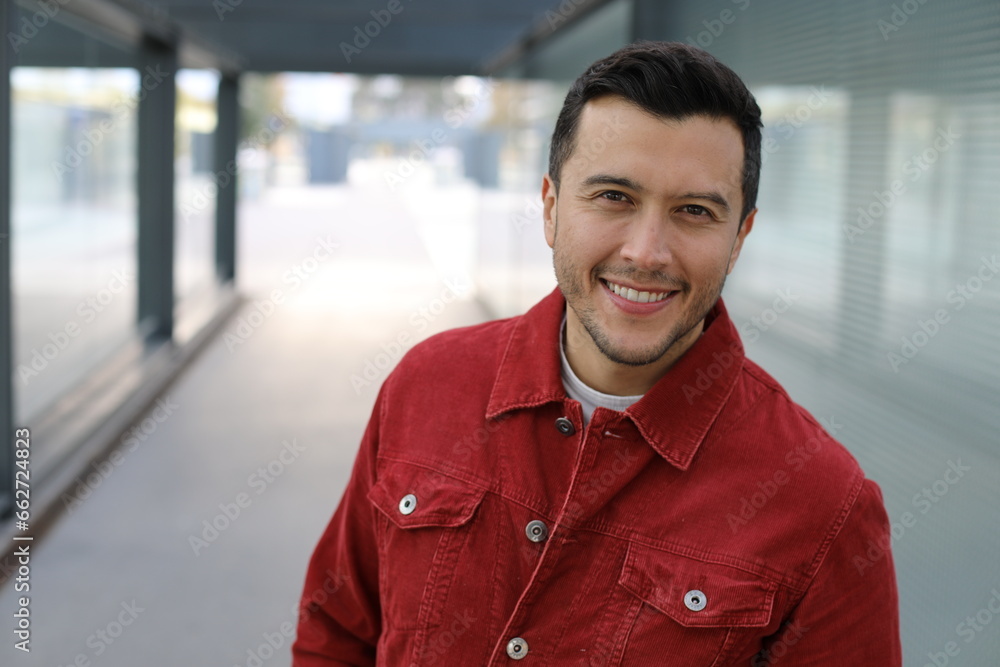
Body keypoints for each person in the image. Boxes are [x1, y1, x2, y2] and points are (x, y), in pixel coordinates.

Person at [292, 41, 902, 666]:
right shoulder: (426, 385)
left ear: (739, 237)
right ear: (552, 207)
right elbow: (336, 633)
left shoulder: (823, 503)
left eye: (694, 211)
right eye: (614, 197)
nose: (646, 252)